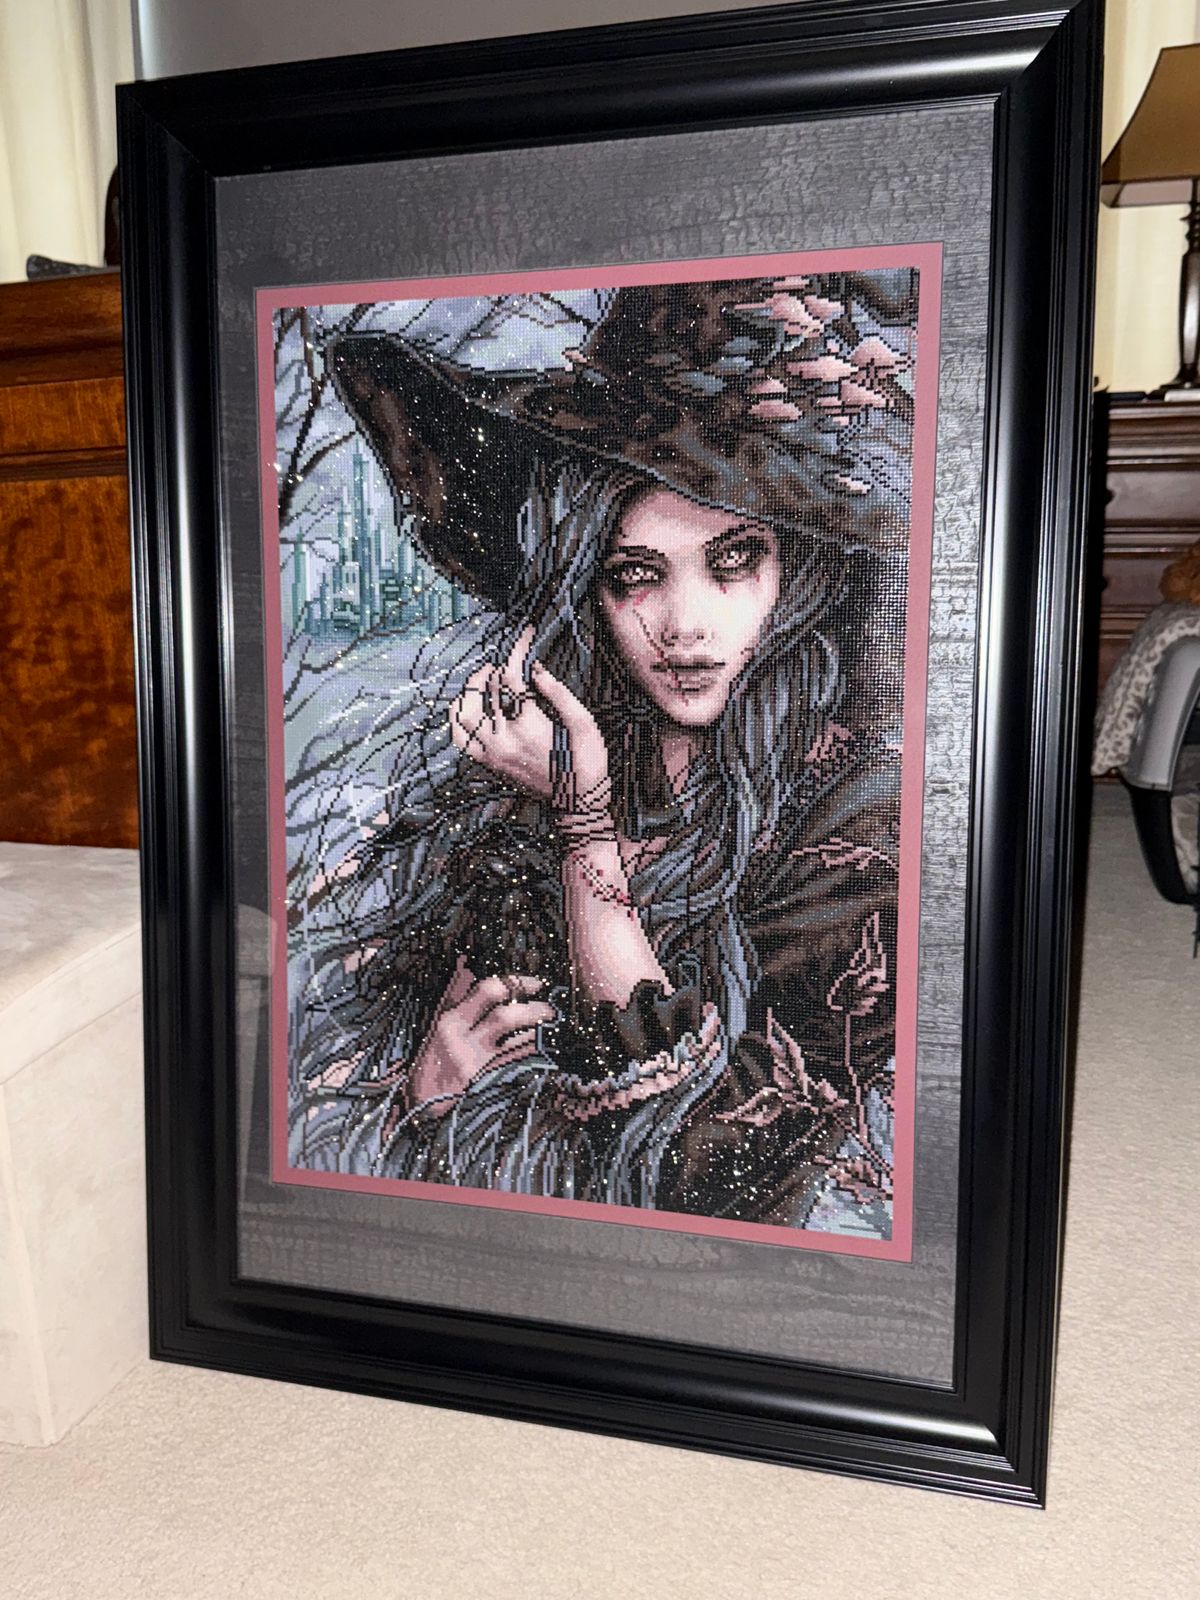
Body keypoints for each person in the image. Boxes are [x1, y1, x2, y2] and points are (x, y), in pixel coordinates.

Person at [286, 272, 916, 1237]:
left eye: (734, 560)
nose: (684, 627)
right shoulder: (531, 776)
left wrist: (584, 824)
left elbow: (710, 1161)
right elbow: (421, 1077)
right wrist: (429, 1093)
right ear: (592, 591)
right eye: (635, 575)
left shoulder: (858, 817)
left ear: (799, 570)